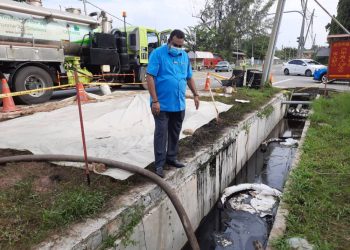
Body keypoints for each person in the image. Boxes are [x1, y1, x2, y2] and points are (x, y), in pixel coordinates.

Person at [146, 29, 200, 178]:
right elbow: (150, 77)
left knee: (175, 132)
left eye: (181, 45)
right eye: (176, 44)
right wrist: (155, 101)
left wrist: (196, 94)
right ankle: (159, 165)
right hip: (161, 104)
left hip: (178, 104)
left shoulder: (184, 56)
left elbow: (189, 77)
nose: (178, 48)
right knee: (161, 134)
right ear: (169, 41)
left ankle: (171, 157)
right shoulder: (158, 54)